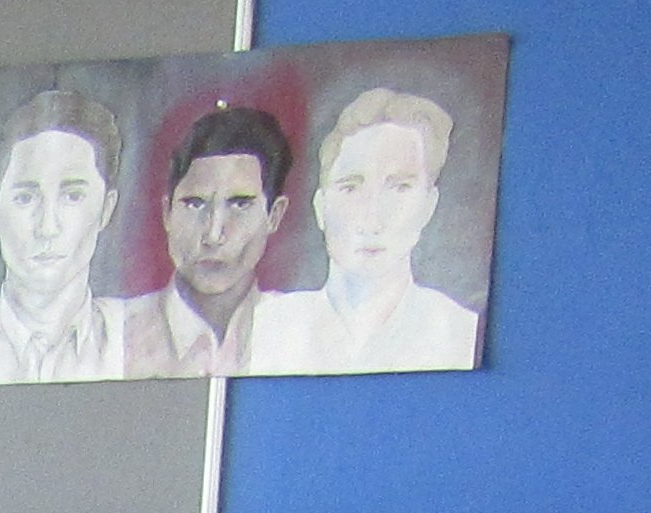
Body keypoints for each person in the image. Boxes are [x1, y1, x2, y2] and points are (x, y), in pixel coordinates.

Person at [244, 88, 481, 375]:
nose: (372, 217)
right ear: (320, 206)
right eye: (351, 187)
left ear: (428, 206)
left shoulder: (459, 332)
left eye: (399, 187)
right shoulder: (266, 327)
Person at [0, 89, 166, 384]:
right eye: (25, 198)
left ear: (106, 209)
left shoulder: (140, 340)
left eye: (73, 196)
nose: (47, 227)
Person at [146, 101, 297, 376]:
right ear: (167, 213)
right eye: (195, 204)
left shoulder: (300, 333)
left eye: (240, 204)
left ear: (274, 215)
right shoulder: (117, 332)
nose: (213, 235)